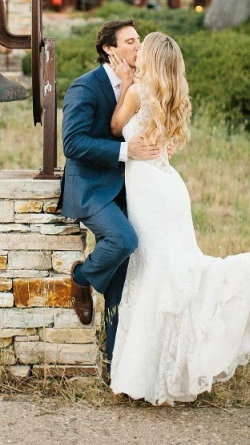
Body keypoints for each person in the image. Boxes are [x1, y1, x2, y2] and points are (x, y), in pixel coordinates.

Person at [108, 32, 250, 405]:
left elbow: (113, 128)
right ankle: (160, 377)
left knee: (157, 273)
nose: (136, 52)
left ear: (151, 59)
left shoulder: (139, 92)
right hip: (168, 187)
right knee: (171, 270)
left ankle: (150, 377)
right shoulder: (168, 95)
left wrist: (124, 83)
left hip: (150, 192)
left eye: (142, 49)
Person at [60, 19, 168, 365]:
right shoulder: (85, 88)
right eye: (131, 41)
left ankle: (113, 362)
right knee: (123, 241)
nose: (139, 47)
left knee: (125, 280)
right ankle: (80, 278)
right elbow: (72, 143)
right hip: (91, 188)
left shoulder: (141, 84)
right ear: (110, 49)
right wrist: (126, 152)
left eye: (139, 41)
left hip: (130, 187)